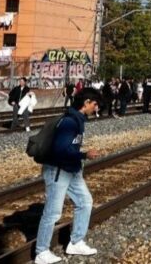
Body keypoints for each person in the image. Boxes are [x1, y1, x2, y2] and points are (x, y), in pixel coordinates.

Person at [34, 88, 102, 264]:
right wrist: (84, 155)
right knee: (52, 213)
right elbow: (61, 149)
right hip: (58, 170)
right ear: (86, 103)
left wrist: (78, 160)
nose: (96, 108)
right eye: (95, 104)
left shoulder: (78, 120)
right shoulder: (70, 122)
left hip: (71, 170)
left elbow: (69, 147)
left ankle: (76, 242)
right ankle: (41, 252)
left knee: (85, 202)